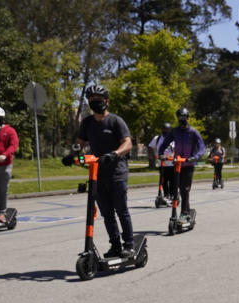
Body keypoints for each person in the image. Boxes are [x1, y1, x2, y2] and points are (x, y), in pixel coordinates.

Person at [63, 85, 134, 258]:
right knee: (107, 213)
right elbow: (79, 142)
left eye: (99, 100)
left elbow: (127, 143)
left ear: (107, 101)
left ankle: (129, 245)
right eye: (92, 100)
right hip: (97, 173)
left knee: (121, 209)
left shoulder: (116, 121)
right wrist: (71, 154)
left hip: (117, 172)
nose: (96, 103)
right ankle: (115, 245)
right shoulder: (87, 123)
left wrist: (114, 154)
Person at [159, 108, 205, 215]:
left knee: (185, 189)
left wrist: (196, 156)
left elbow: (202, 146)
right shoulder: (174, 132)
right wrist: (161, 153)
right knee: (178, 190)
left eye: (184, 117)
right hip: (177, 164)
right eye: (180, 117)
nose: (182, 119)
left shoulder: (193, 132)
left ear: (188, 118)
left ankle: (184, 213)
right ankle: (186, 211)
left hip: (188, 164)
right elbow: (164, 144)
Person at [148, 122, 174, 205]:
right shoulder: (157, 138)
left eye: (166, 130)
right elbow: (150, 147)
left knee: (172, 181)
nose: (165, 132)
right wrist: (152, 156)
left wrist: (169, 157)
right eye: (163, 130)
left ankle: (172, 196)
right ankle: (166, 196)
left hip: (172, 164)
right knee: (163, 181)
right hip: (161, 164)